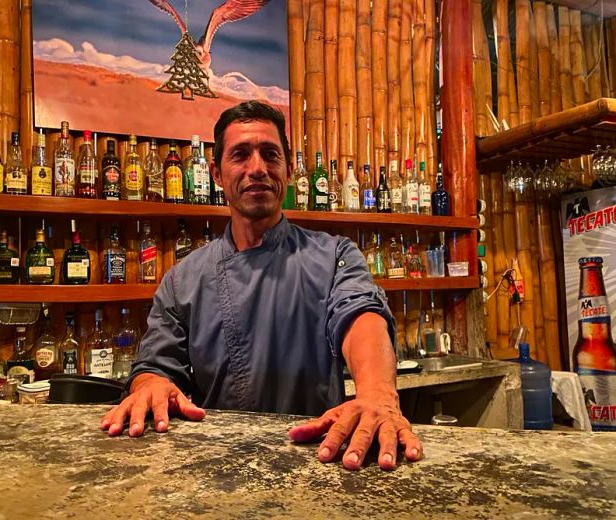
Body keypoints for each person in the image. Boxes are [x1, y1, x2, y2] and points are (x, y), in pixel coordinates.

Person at [101, 101, 422, 471]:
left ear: (286, 169)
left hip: (321, 459)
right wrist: (150, 385)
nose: (257, 168)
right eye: (240, 155)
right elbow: (155, 365)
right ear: (217, 174)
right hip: (216, 468)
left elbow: (361, 316)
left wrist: (379, 395)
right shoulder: (182, 278)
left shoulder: (335, 254)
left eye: (270, 154)